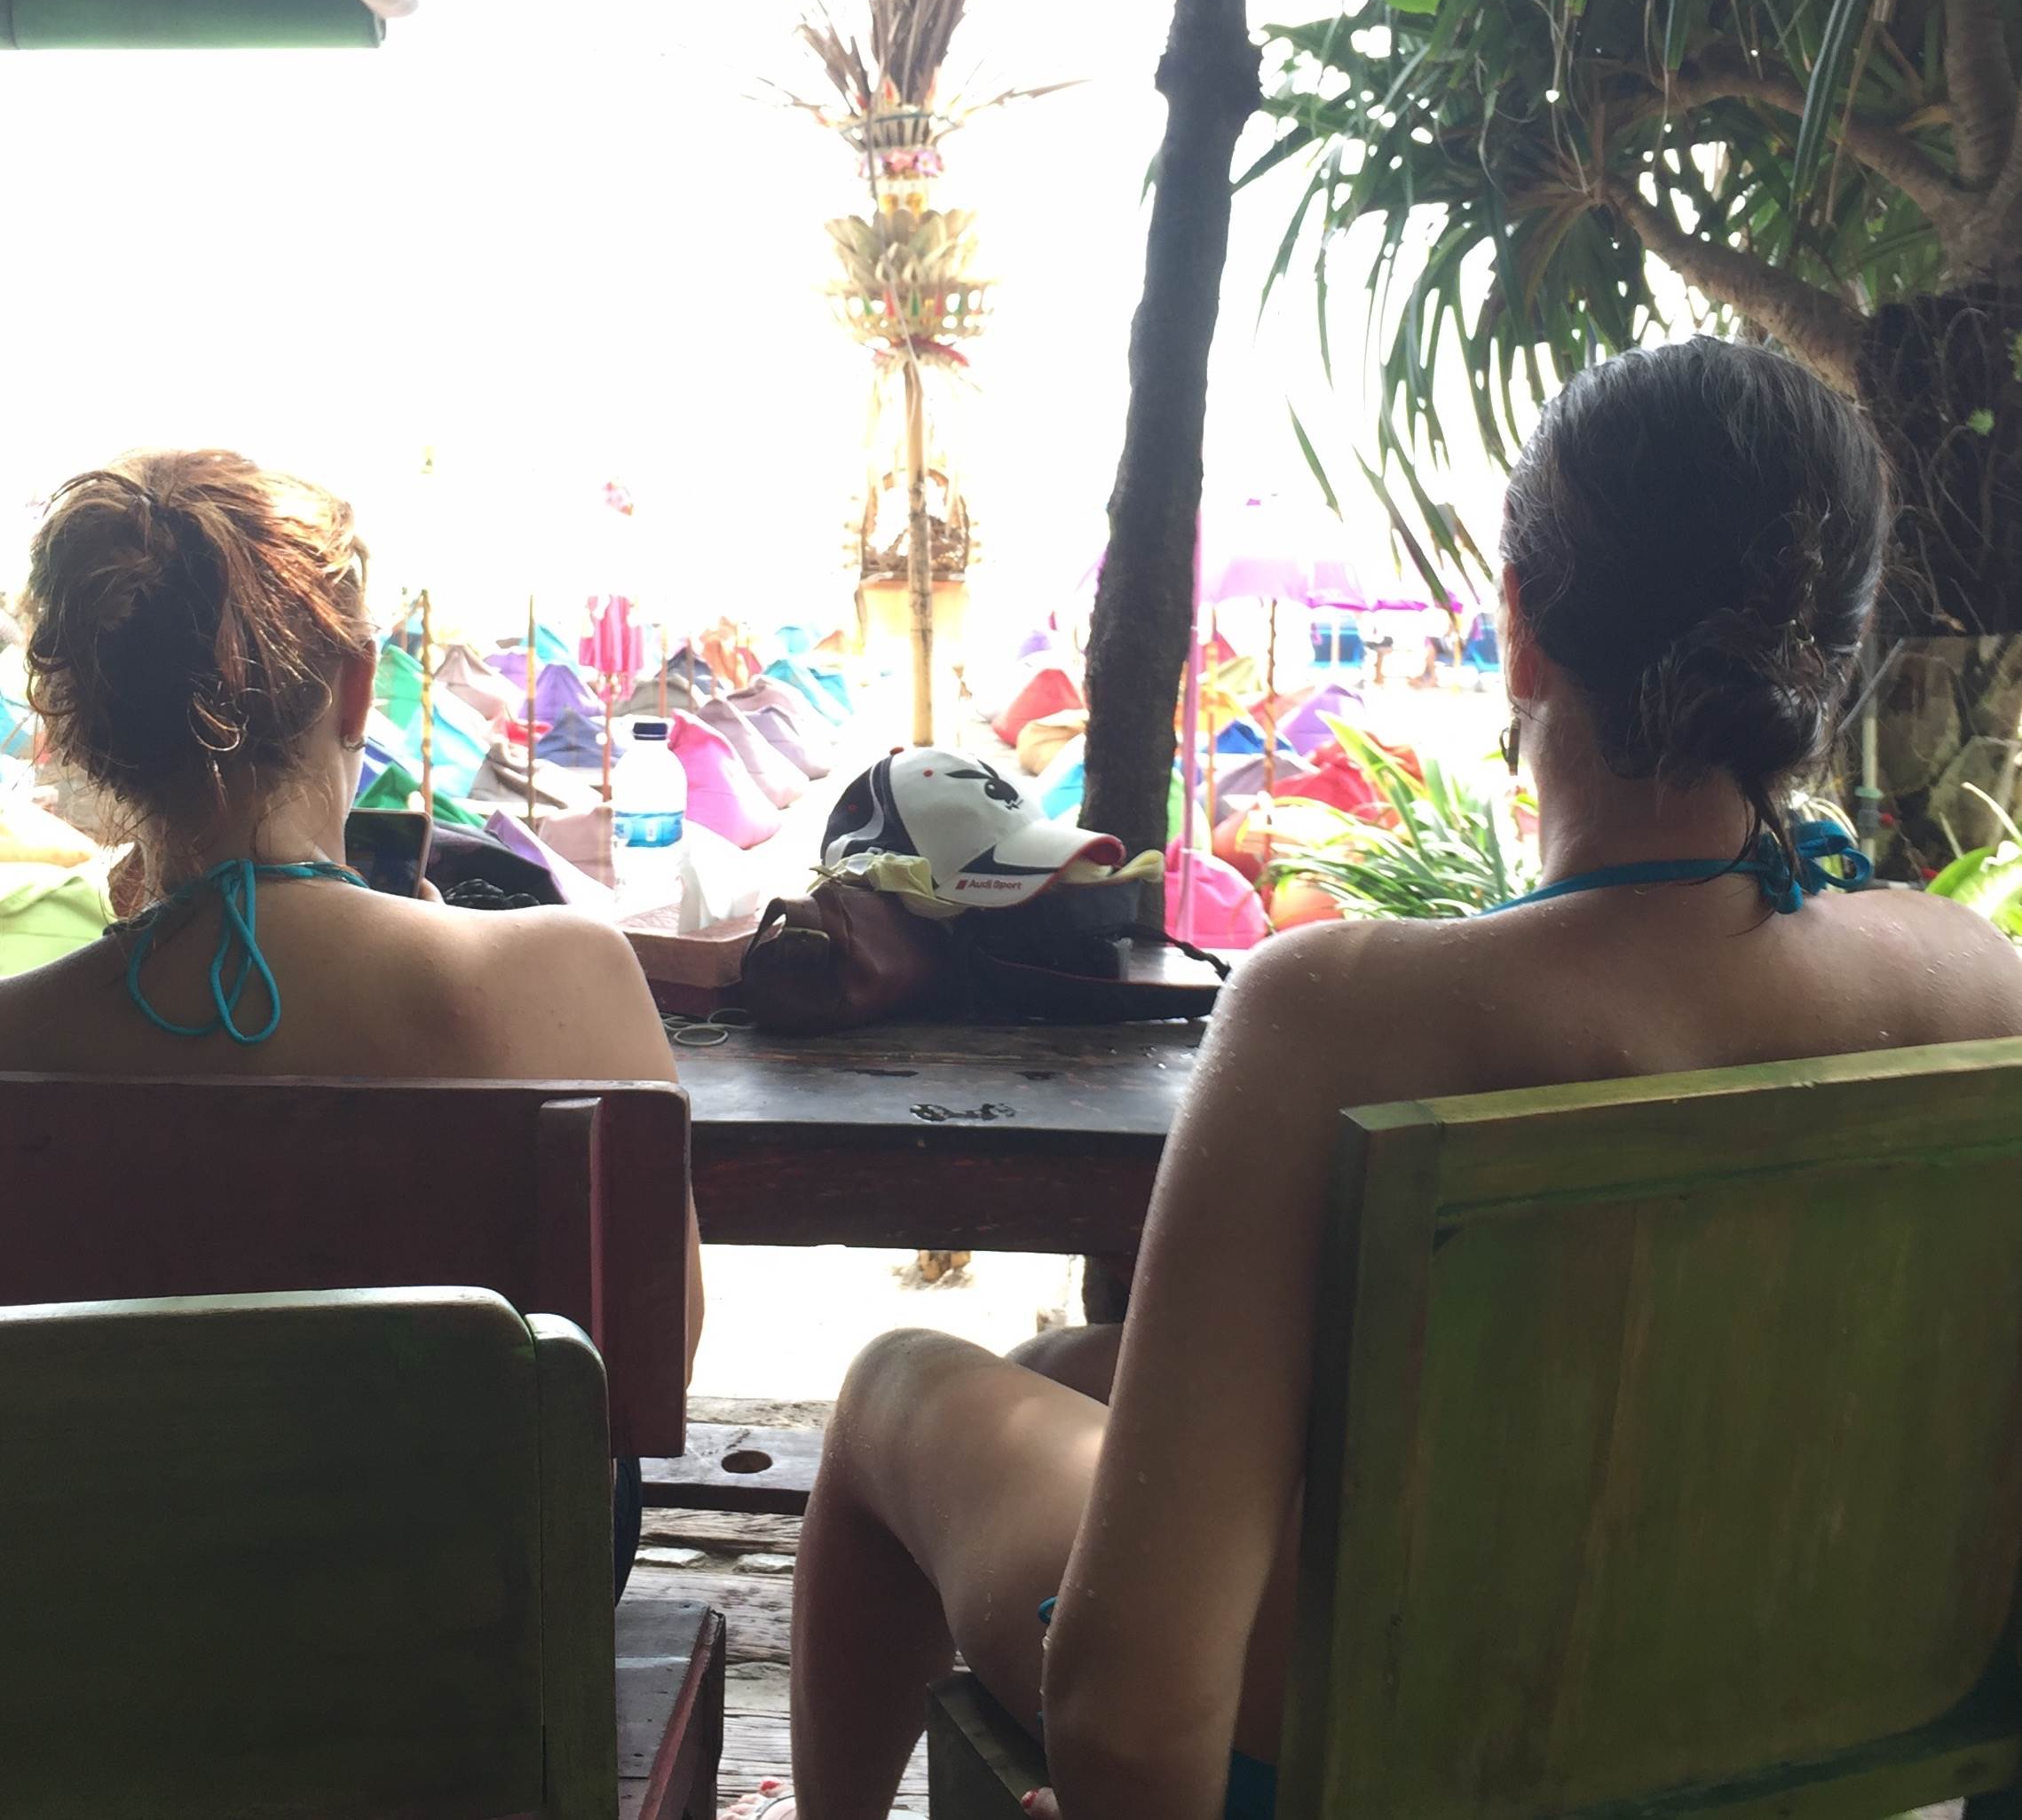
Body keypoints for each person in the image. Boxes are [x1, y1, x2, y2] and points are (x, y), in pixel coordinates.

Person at [768, 339, 2022, 1820]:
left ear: (1519, 626)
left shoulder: (1341, 1016)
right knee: (1057, 1373)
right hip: (1776, 1693)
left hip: (1379, 1738)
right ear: (1836, 651)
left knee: (894, 1384)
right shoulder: (1974, 987)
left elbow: (1130, 1710)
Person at [0, 450, 702, 1592]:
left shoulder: (18, 1037)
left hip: (105, 1629)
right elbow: (658, 1361)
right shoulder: (568, 972)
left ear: (80, 725)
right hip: (484, 1633)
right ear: (358, 687)